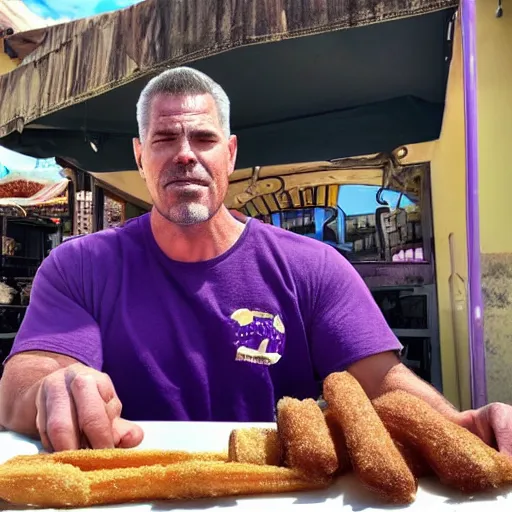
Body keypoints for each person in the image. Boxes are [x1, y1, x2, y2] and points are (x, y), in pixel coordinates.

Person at [0, 67, 511, 454]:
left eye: (203, 138)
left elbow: (385, 385)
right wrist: (53, 387)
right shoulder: (79, 267)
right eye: (163, 139)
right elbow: (23, 383)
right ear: (139, 156)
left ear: (231, 153)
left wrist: (459, 427)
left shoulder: (314, 267)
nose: (184, 154)